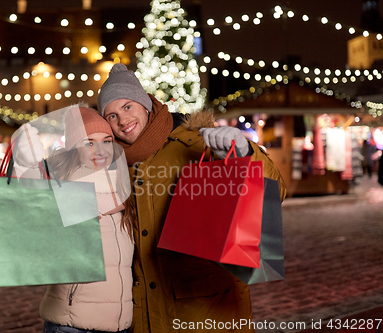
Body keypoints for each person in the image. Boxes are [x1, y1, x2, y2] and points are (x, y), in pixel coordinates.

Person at [96, 63, 287, 333]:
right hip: (144, 315)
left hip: (206, 311)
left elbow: (274, 193)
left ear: (146, 104)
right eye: (111, 115)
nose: (122, 120)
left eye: (127, 106)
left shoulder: (197, 143)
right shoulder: (113, 164)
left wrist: (244, 154)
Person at [16, 106, 135, 333]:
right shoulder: (65, 187)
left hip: (121, 325)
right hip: (74, 326)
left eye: (106, 141)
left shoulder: (121, 189)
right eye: (88, 143)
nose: (99, 150)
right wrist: (26, 166)